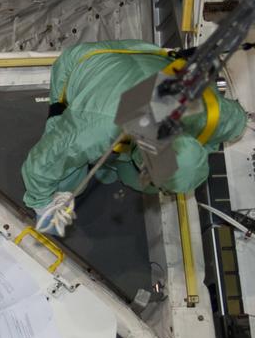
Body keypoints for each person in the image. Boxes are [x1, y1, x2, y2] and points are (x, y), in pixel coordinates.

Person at [21, 40, 247, 236]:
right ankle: (81, 178)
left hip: (143, 55)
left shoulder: (210, 114)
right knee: (65, 177)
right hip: (87, 62)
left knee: (132, 176)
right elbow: (41, 163)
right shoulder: (96, 127)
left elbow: (236, 119)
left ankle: (117, 166)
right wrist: (41, 206)